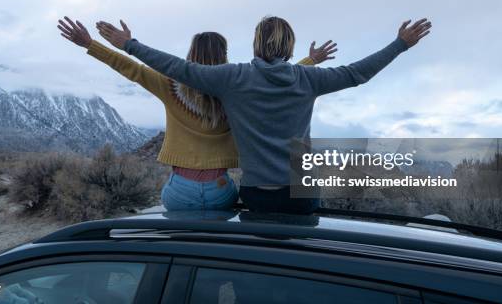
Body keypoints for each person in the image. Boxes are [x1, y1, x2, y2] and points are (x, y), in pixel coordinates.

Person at [94, 16, 431, 214]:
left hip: (257, 192)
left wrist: (130, 44)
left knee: (255, 274)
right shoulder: (307, 79)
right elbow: (358, 72)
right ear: (290, 47)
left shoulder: (233, 78)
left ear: (256, 43)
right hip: (301, 193)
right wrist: (399, 44)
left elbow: (178, 68)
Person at [57, 16, 337, 211]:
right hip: (220, 188)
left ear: (190, 53)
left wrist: (90, 45)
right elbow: (276, 81)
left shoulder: (168, 85)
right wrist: (311, 61)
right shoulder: (235, 88)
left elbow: (130, 68)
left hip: (180, 189)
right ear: (224, 55)